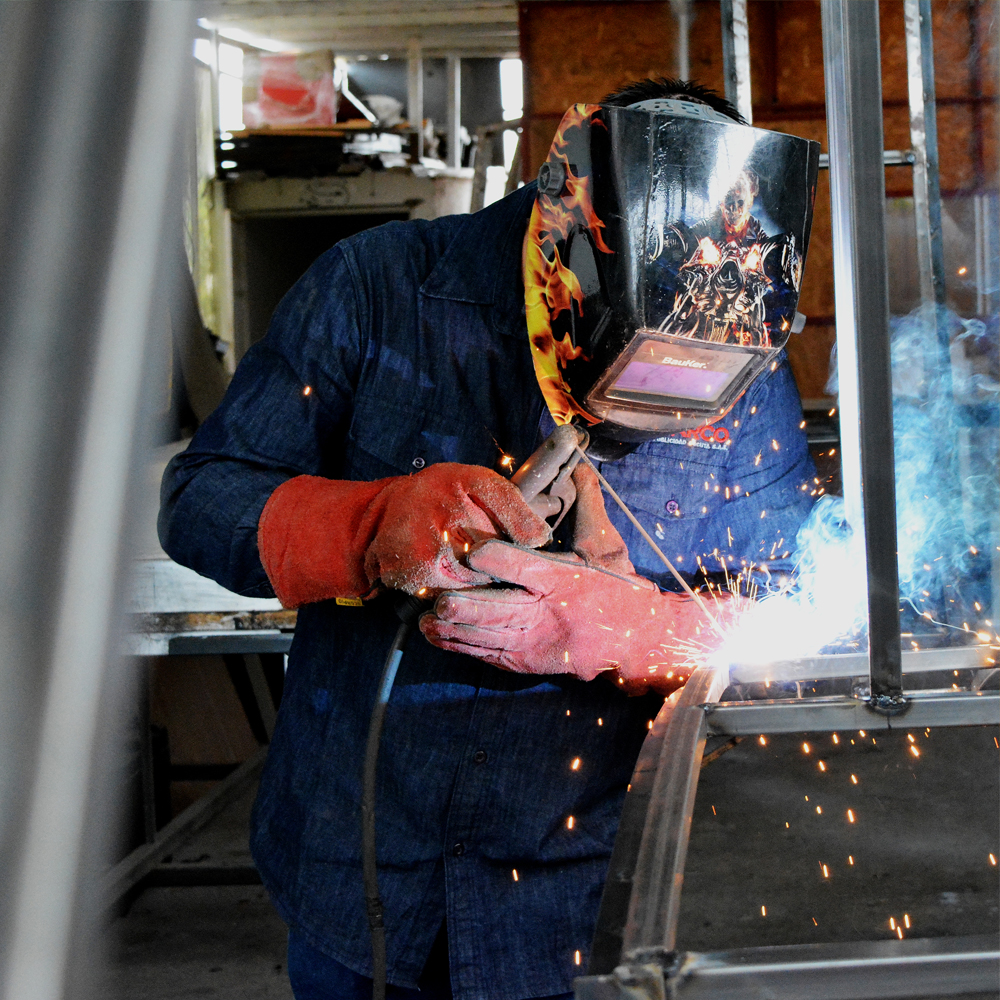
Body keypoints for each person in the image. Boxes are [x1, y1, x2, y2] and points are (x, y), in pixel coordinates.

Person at [159, 79, 818, 1000]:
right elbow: (199, 499)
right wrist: (368, 525)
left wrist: (641, 633)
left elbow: (794, 609)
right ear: (571, 239)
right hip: (358, 864)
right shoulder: (375, 287)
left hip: (579, 896)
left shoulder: (739, 349)